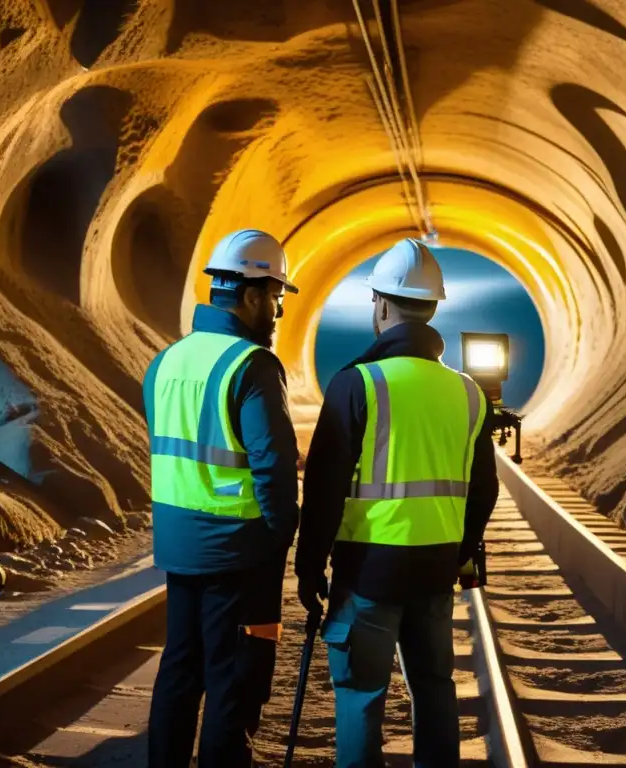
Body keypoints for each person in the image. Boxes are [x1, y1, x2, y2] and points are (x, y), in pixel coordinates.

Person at [295, 237, 500, 767]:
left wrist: (309, 565)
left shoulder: (356, 384)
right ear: (432, 309)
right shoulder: (469, 393)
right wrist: (459, 549)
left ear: (382, 305)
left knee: (363, 692)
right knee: (434, 686)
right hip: (434, 569)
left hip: (367, 572)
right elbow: (484, 491)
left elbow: (323, 491)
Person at [144, 229, 301, 768]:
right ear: (253, 294)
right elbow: (273, 466)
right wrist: (284, 530)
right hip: (236, 550)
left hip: (177, 543)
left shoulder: (167, 361)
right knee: (231, 681)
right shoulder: (252, 366)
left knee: (179, 669)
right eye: (276, 297)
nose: (278, 312)